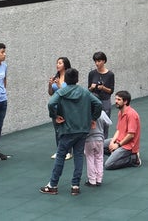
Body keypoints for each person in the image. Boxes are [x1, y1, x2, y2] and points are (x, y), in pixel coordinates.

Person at [40, 68, 103, 196]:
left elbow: (51, 103)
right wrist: (93, 118)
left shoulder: (62, 92)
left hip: (67, 129)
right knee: (79, 156)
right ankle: (75, 185)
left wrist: (55, 115)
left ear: (66, 80)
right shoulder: (85, 92)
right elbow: (98, 103)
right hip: (82, 129)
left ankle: (53, 184)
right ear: (77, 79)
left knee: (61, 155)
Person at [104, 90, 142, 170]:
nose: (116, 101)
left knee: (108, 165)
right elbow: (119, 130)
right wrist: (112, 142)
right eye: (116, 99)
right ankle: (116, 153)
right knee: (98, 146)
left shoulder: (131, 114)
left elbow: (131, 135)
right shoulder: (120, 112)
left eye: (118, 100)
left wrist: (118, 145)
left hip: (128, 147)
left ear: (125, 101)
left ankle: (133, 159)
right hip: (119, 141)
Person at [48, 57, 73, 160]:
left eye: (60, 63)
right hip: (56, 107)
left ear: (65, 65)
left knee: (66, 130)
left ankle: (68, 151)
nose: (57, 65)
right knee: (57, 130)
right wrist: (50, 85)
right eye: (57, 63)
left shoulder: (69, 77)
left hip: (66, 107)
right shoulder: (56, 77)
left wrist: (58, 86)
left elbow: (69, 93)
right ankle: (59, 150)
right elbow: (50, 93)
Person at [87, 51, 115, 138]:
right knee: (93, 121)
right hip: (94, 100)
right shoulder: (92, 73)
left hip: (105, 100)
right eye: (95, 61)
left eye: (99, 61)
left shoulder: (110, 74)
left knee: (105, 123)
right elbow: (88, 89)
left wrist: (103, 88)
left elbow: (111, 90)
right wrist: (91, 88)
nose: (97, 63)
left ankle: (104, 142)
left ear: (104, 61)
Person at [84, 110, 112, 187]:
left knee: (90, 158)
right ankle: (99, 179)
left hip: (88, 139)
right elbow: (109, 122)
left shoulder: (85, 113)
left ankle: (92, 180)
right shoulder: (101, 112)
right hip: (99, 138)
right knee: (99, 158)